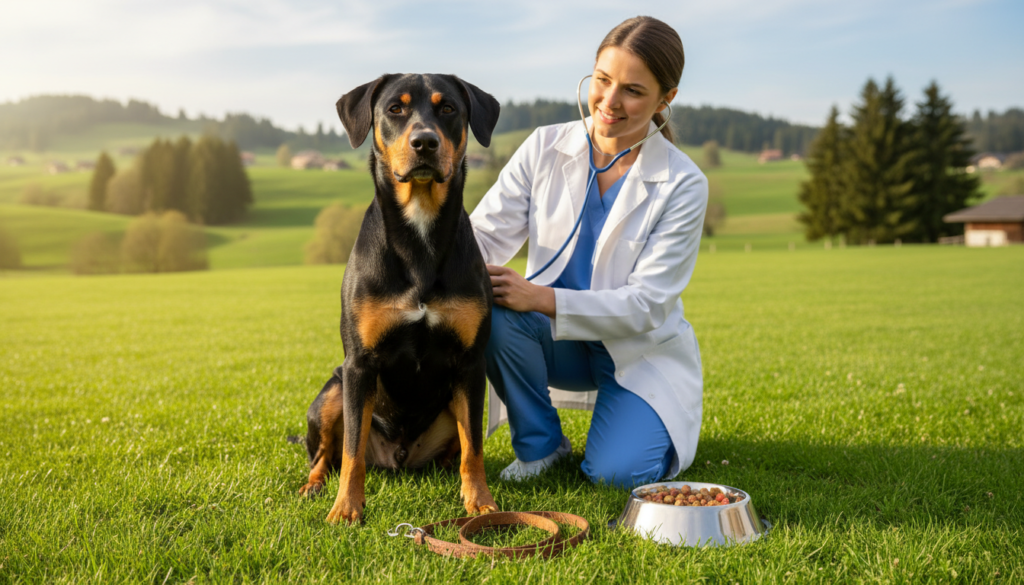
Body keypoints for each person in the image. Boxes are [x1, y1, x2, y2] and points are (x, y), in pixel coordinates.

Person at [470, 16, 708, 488]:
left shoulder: (683, 184)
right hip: (554, 343)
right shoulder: (545, 146)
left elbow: (647, 304)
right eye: (602, 80)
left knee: (617, 475)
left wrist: (541, 298)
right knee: (489, 308)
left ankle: (640, 429)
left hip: (637, 351)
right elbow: (479, 238)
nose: (609, 101)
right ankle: (540, 446)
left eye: (633, 91)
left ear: (666, 99)